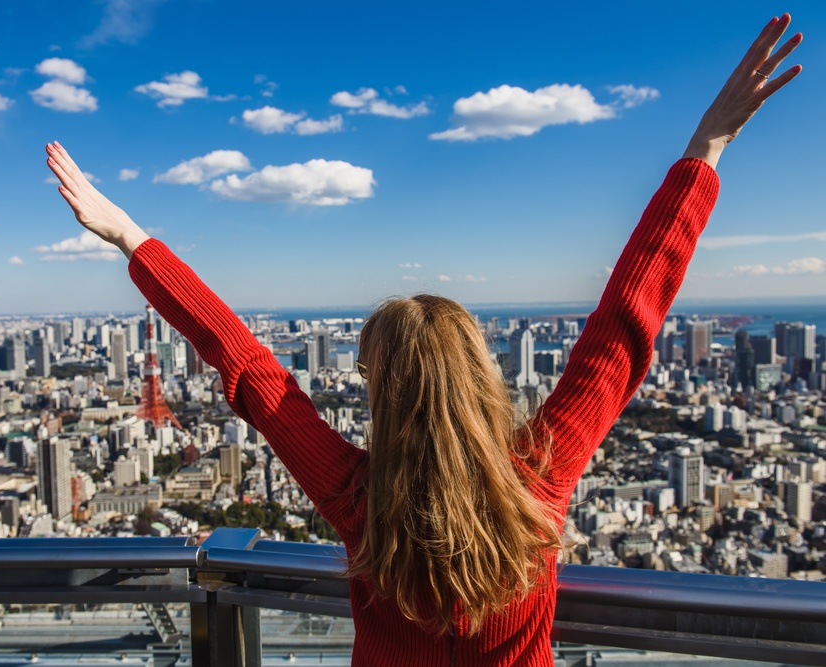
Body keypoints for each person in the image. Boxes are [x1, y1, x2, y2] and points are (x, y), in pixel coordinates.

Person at [45, 15, 802, 666]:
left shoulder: (359, 500)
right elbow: (622, 330)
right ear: (478, 376)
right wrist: (706, 148)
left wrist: (130, 236)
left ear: (383, 394)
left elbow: (249, 367)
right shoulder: (538, 478)